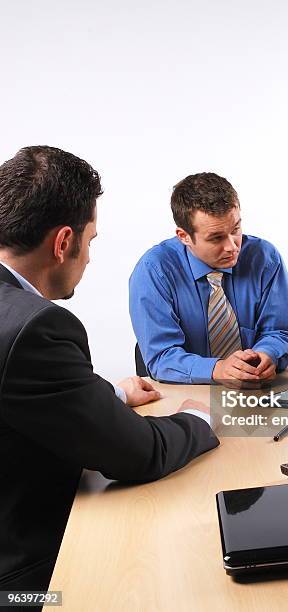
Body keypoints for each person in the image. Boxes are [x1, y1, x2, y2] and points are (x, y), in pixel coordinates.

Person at [0, 146, 219, 593]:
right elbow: (139, 454)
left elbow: (22, 392)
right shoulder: (36, 326)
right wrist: (198, 418)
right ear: (63, 243)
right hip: (25, 583)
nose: (89, 258)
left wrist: (112, 396)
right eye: (91, 241)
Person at [129, 172, 288, 385]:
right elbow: (161, 357)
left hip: (254, 391)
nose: (232, 246)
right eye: (216, 238)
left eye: (235, 229)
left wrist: (267, 354)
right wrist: (218, 369)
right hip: (182, 395)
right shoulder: (154, 270)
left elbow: (280, 331)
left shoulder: (265, 259)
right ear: (184, 236)